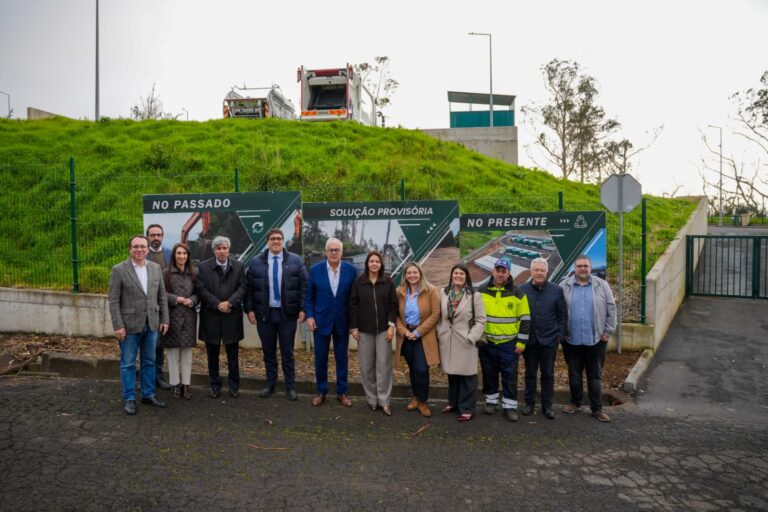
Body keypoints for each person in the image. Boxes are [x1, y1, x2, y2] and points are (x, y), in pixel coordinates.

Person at [108, 234, 169, 415]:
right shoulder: (119, 269)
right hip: (128, 326)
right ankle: (129, 398)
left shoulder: (156, 268)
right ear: (130, 249)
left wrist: (164, 319)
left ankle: (148, 394)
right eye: (136, 247)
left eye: (143, 247)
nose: (140, 250)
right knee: (128, 363)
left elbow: (162, 296)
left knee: (149, 361)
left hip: (152, 324)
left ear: (148, 249)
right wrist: (118, 325)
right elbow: (113, 301)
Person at [244, 228, 307, 401]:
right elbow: (248, 289)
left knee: (288, 352)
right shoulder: (256, 262)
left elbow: (304, 287)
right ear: (268, 241)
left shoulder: (295, 260)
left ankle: (290, 387)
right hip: (265, 315)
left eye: (279, 238)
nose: (276, 241)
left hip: (287, 315)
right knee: (268, 352)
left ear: (283, 240)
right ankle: (270, 384)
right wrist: (249, 309)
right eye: (273, 239)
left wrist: (303, 309)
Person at [560, 254, 616, 422]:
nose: (582, 269)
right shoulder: (564, 286)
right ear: (574, 268)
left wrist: (608, 331)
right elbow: (558, 310)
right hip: (572, 340)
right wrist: (561, 333)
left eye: (585, 266)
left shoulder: (602, 285)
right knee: (574, 374)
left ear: (590, 268)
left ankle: (597, 409)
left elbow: (611, 309)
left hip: (596, 340)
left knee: (595, 375)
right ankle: (575, 402)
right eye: (579, 266)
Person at [305, 238, 357, 407]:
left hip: (343, 321)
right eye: (330, 250)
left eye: (337, 250)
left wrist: (354, 322)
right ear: (325, 252)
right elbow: (309, 296)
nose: (334, 253)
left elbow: (354, 298)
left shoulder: (351, 270)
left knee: (342, 359)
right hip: (320, 321)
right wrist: (310, 316)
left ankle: (342, 392)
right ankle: (321, 391)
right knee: (320, 358)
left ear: (342, 252)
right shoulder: (315, 270)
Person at [478, 259, 531, 422]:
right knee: (489, 374)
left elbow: (525, 319)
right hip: (488, 343)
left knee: (510, 376)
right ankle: (491, 402)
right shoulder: (481, 290)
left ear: (508, 273)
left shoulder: (518, 293)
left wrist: (521, 343)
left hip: (509, 344)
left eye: (504, 271)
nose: (500, 274)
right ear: (492, 271)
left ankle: (509, 406)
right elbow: (474, 315)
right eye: (498, 270)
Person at [196, 236, 247, 399]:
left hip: (231, 316)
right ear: (214, 250)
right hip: (211, 316)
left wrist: (230, 303)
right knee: (212, 355)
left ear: (229, 249)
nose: (222, 251)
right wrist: (218, 304)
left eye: (224, 248)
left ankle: (234, 385)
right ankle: (215, 385)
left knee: (233, 355)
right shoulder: (203, 267)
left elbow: (243, 287)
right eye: (218, 248)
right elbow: (201, 289)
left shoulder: (239, 267)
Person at [349, 250, 398, 416]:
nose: (374, 264)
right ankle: (372, 399)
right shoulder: (359, 282)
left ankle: (384, 401)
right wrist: (354, 327)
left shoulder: (388, 282)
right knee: (367, 367)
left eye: (377, 261)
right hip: (364, 331)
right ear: (367, 264)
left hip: (384, 331)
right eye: (372, 261)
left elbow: (393, 305)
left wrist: (391, 325)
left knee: (383, 366)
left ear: (381, 264)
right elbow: (353, 305)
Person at [436, 264, 487, 422]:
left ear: (466, 277)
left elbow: (481, 320)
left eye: (461, 274)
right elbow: (439, 315)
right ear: (451, 276)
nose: (458, 276)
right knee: (452, 374)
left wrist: (471, 337)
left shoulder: (474, 296)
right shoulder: (444, 293)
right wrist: (440, 331)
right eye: (455, 273)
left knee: (467, 376)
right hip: (448, 340)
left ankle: (467, 408)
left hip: (466, 341)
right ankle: (453, 403)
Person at [519, 257, 567, 420]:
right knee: (530, 373)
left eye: (542, 270)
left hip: (549, 341)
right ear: (531, 271)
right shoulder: (522, 290)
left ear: (547, 272)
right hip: (530, 341)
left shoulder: (556, 290)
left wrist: (559, 335)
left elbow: (562, 315)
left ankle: (547, 406)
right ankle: (529, 404)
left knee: (548, 374)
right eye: (536, 270)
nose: (539, 273)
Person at [395, 262, 440, 417]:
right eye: (409, 273)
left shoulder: (431, 290)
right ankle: (415, 397)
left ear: (420, 273)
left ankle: (423, 401)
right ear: (405, 275)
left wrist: (418, 332)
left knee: (421, 368)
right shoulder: (399, 292)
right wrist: (404, 331)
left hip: (423, 335)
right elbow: (395, 316)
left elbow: (435, 314)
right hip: (406, 335)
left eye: (415, 272)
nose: (412, 275)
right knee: (413, 368)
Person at [160, 243, 198, 400]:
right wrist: (177, 299)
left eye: (184, 253)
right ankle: (176, 384)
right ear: (174, 255)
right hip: (172, 317)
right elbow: (161, 294)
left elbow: (199, 293)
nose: (182, 256)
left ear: (188, 256)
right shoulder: (166, 273)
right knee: (173, 353)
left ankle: (186, 385)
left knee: (187, 354)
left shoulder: (194, 273)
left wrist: (192, 300)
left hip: (189, 317)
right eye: (179, 253)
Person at [146, 223, 173, 391]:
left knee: (159, 344)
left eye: (159, 235)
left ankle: (158, 376)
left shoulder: (169, 254)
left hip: (164, 304)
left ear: (162, 236)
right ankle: (146, 378)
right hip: (146, 306)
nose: (156, 238)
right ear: (147, 236)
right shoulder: (142, 254)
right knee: (147, 346)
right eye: (152, 235)